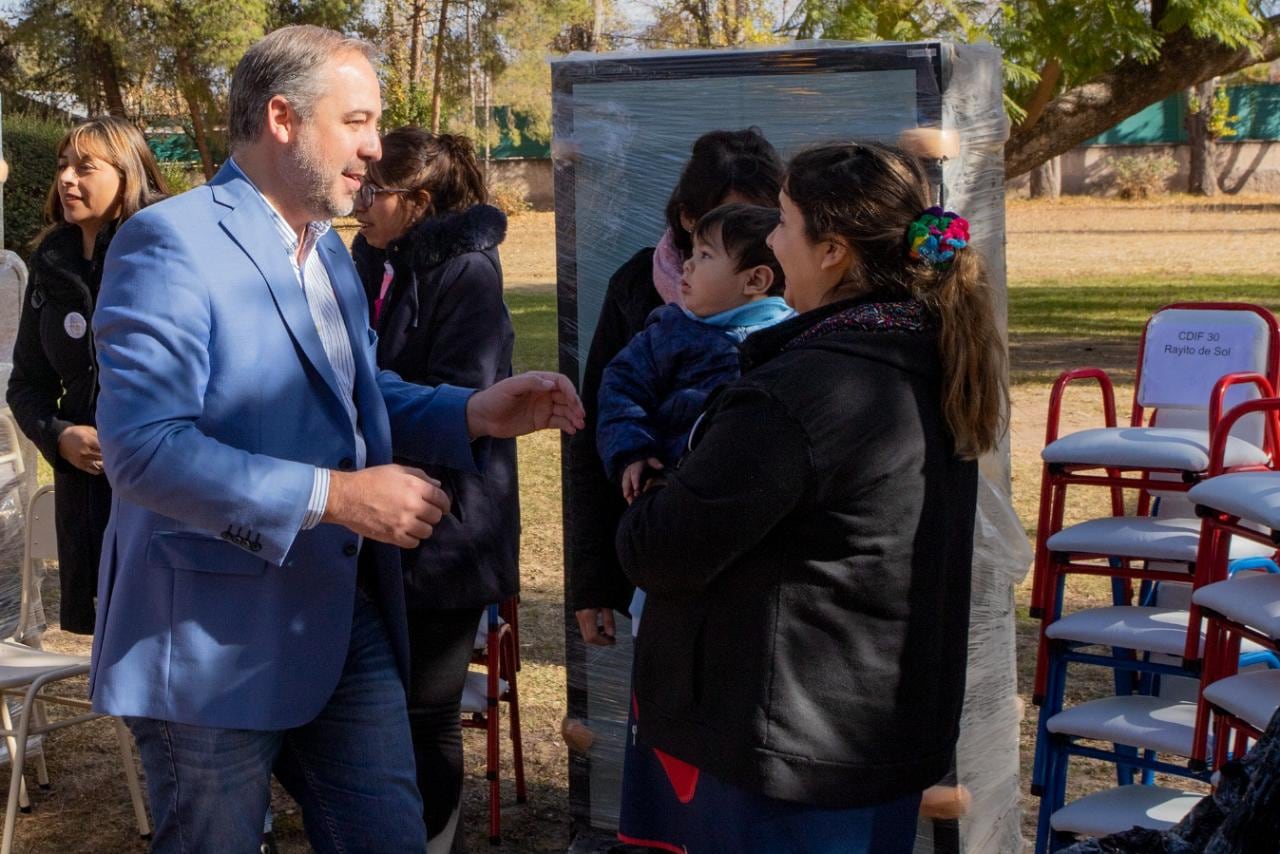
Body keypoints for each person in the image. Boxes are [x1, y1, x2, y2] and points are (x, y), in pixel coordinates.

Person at [88, 25, 582, 854]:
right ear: (283, 117)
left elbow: (352, 397)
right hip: (209, 642)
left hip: (338, 619)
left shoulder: (326, 250)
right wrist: (338, 497)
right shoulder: (170, 242)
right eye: (356, 121)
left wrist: (471, 412)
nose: (376, 147)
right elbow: (143, 448)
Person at [613, 142, 1007, 853]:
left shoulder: (804, 392)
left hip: (785, 756)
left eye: (785, 222)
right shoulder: (926, 354)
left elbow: (661, 548)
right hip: (869, 738)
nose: (768, 237)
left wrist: (659, 486)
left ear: (832, 251)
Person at [350, 126, 518, 852]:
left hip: (449, 529)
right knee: (374, 705)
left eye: (374, 190)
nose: (358, 199)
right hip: (373, 518)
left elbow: (466, 398)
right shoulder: (366, 258)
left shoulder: (466, 271)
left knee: (426, 711)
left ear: (416, 202)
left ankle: (431, 839)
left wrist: (365, 431)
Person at [568, 128, 783, 647]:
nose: (760, 237)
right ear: (689, 217)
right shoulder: (642, 295)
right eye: (733, 222)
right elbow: (598, 419)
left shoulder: (796, 304)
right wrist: (592, 578)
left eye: (767, 222)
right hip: (665, 541)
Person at [6, 116, 168, 635]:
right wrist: (60, 437)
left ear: (128, 173)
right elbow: (25, 384)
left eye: (85, 167)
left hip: (161, 492)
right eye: (62, 167)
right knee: (107, 644)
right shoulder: (50, 265)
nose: (67, 180)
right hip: (86, 500)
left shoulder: (167, 254)